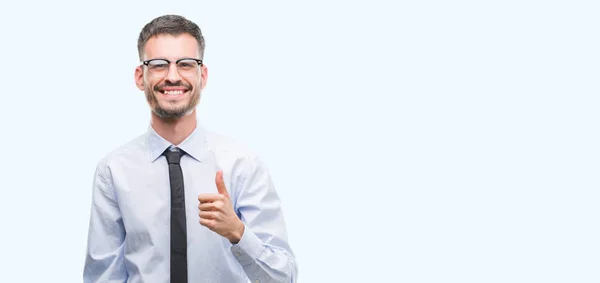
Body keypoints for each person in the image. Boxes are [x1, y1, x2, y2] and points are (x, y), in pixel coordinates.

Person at [83, 14, 298, 283]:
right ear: (141, 76)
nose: (173, 76)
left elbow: (283, 277)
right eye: (159, 65)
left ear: (202, 75)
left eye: (185, 64)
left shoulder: (242, 164)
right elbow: (103, 277)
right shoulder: (113, 170)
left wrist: (238, 233)